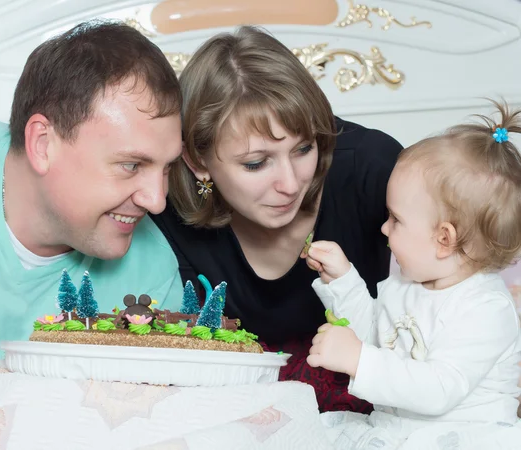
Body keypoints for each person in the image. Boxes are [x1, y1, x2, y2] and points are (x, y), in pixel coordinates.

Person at [0, 21, 185, 410]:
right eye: (131, 165)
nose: (157, 200)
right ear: (43, 144)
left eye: (166, 169)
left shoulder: (154, 272)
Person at [149, 25, 403, 412]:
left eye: (304, 148)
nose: (290, 183)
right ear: (197, 161)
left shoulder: (373, 168)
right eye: (256, 163)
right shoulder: (161, 206)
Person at [305, 102, 521, 448]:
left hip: (464, 437)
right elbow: (375, 332)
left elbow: (438, 389)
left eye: (395, 219)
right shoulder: (406, 283)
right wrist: (343, 280)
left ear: (444, 239)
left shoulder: (486, 308)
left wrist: (360, 360)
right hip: (398, 432)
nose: (384, 228)